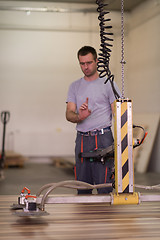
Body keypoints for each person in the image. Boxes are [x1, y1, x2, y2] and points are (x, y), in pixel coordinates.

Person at [66, 46, 120, 194]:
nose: (85, 67)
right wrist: (79, 117)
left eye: (89, 63)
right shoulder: (74, 86)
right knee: (82, 187)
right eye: (82, 64)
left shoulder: (108, 84)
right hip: (82, 139)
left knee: (105, 187)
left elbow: (118, 111)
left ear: (97, 61)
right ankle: (84, 216)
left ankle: (106, 217)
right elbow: (69, 114)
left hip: (103, 138)